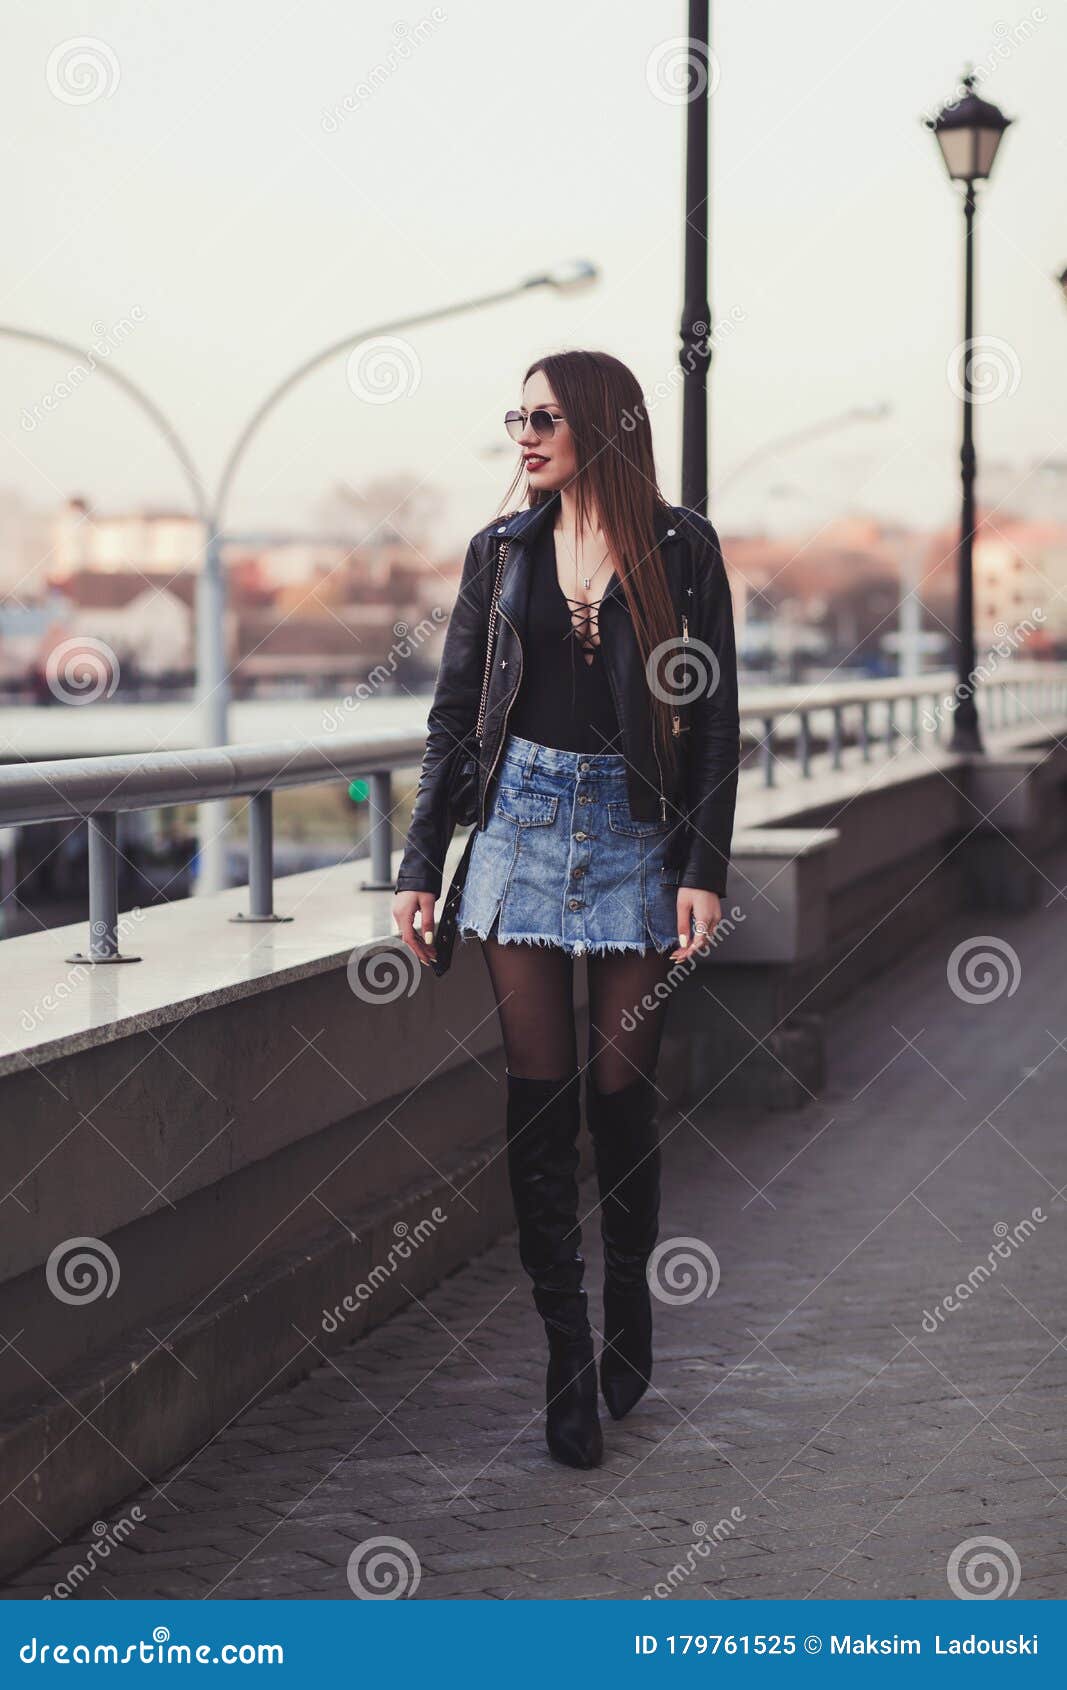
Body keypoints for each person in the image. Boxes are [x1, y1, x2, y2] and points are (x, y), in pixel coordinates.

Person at [392, 349, 740, 1469]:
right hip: (520, 829)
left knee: (619, 1094)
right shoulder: (499, 552)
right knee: (539, 1107)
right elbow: (454, 720)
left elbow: (716, 719)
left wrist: (703, 864)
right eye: (516, 417)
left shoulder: (681, 549)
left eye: (542, 416)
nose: (524, 436)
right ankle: (564, 1354)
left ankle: (629, 1303)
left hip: (638, 834)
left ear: (598, 422)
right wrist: (415, 863)